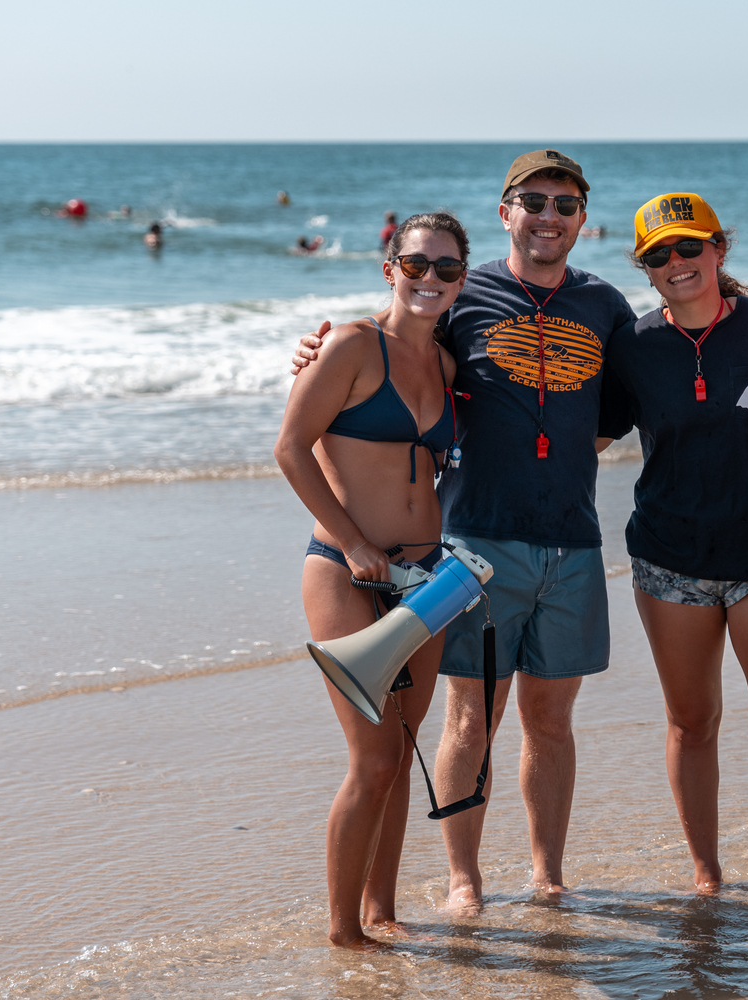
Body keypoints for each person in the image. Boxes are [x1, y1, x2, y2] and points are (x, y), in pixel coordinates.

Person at [291, 150, 636, 913]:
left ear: (582, 218)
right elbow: (391, 347)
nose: (548, 217)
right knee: (471, 717)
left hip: (573, 541)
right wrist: (316, 351)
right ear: (505, 211)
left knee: (552, 722)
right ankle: (463, 880)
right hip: (473, 545)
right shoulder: (460, 293)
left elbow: (620, 408)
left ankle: (547, 877)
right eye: (532, 202)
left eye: (565, 205)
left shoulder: (605, 305)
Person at [597, 193, 748, 900]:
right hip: (669, 561)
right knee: (692, 723)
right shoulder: (633, 347)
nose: (676, 262)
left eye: (688, 246)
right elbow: (584, 434)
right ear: (645, 269)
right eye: (658, 255)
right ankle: (707, 874)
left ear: (718, 250)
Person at [274, 211, 467, 949]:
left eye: (447, 268)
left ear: (461, 280)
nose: (430, 278)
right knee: (374, 757)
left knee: (403, 752)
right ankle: (342, 932)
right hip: (344, 572)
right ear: (391, 270)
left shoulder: (447, 366)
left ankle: (383, 913)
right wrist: (354, 542)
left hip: (427, 579)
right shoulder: (351, 344)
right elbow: (291, 447)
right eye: (416, 264)